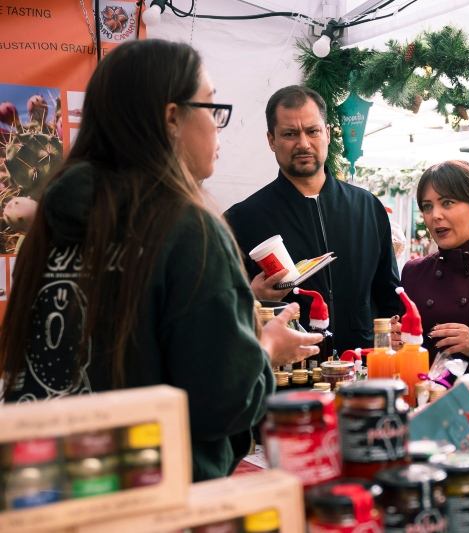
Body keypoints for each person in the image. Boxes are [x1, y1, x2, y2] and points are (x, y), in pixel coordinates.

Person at [0, 40, 322, 481]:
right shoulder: (189, 228)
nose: (218, 126)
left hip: (46, 485)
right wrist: (266, 349)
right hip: (151, 496)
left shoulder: (52, 221)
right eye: (211, 107)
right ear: (173, 117)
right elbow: (224, 401)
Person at [224, 86, 400, 355]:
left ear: (327, 133)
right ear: (271, 140)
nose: (303, 143)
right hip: (287, 378)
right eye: (290, 134)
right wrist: (254, 297)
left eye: (312, 131)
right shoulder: (241, 219)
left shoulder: (367, 207)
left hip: (363, 372)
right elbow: (223, 311)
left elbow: (390, 295)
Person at [394, 161, 469, 374]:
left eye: (447, 202)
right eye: (427, 206)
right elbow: (406, 346)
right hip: (427, 399)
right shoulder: (414, 272)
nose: (435, 215)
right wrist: (395, 339)